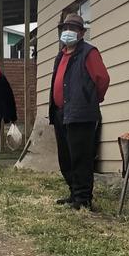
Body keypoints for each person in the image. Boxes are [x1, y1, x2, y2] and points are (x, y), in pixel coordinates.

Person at [48, 12, 110, 210]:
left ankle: (83, 199)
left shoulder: (89, 53)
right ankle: (74, 193)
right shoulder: (62, 54)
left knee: (80, 157)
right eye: (65, 28)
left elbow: (102, 79)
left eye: (73, 29)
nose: (68, 32)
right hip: (61, 113)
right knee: (65, 157)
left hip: (80, 113)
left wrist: (90, 98)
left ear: (82, 33)